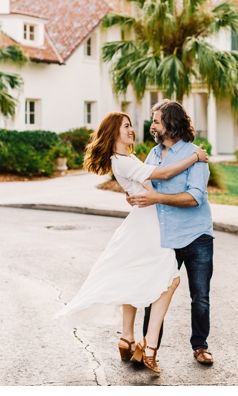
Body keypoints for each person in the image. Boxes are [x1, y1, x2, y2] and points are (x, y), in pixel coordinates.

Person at [53, 111, 208, 374]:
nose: (132, 130)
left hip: (145, 222)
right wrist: (196, 156)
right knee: (170, 280)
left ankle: (128, 338)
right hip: (148, 226)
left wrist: (131, 192)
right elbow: (164, 173)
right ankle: (149, 346)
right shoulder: (122, 161)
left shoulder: (126, 158)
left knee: (137, 276)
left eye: (130, 125)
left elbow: (136, 184)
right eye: (126, 126)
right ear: (114, 132)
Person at [130, 99, 214, 366]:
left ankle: (200, 346)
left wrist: (157, 198)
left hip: (196, 236)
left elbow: (195, 198)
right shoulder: (153, 155)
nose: (152, 125)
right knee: (155, 293)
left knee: (199, 295)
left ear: (171, 123)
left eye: (156, 120)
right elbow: (144, 186)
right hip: (164, 237)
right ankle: (147, 346)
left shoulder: (195, 155)